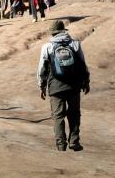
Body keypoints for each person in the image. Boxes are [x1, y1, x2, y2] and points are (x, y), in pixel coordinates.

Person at [37, 20, 90, 151]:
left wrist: (41, 86)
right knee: (74, 114)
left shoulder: (47, 47)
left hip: (55, 86)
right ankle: (74, 141)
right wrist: (86, 82)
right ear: (63, 31)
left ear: (53, 33)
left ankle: (61, 145)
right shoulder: (75, 44)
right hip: (74, 85)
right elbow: (83, 65)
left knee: (58, 116)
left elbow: (41, 69)